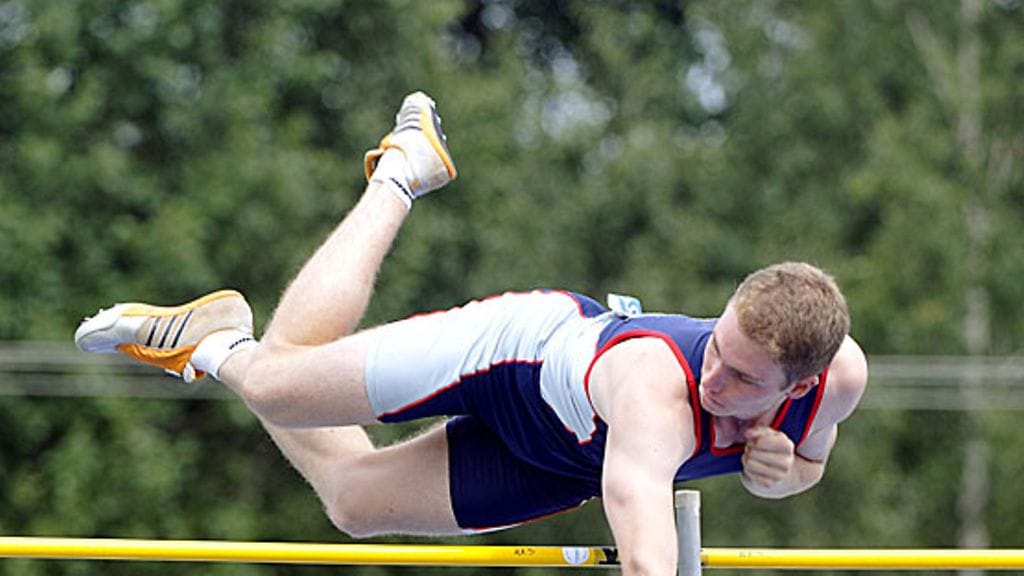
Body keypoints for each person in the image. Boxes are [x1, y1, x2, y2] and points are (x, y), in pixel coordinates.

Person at [75, 91, 869, 576]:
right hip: (515, 353)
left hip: (559, 457)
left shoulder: (840, 380)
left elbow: (808, 464)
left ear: (802, 384)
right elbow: (646, 554)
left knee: (354, 503)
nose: (714, 378)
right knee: (280, 384)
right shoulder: (659, 393)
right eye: (717, 347)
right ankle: (400, 173)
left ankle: (221, 341)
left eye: (742, 380)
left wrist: (784, 474)